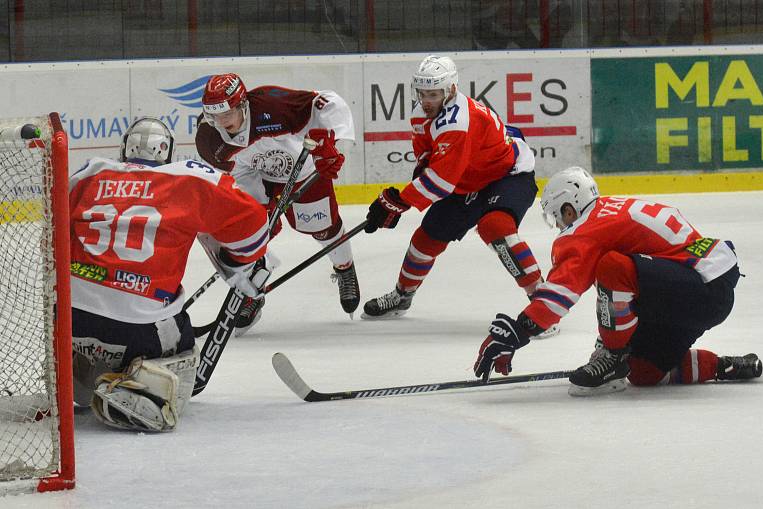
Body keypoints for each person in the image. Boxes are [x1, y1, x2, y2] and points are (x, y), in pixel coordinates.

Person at [473, 166, 763, 396]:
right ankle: (724, 366)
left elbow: (563, 290)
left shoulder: (587, 227)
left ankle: (613, 355)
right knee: (643, 372)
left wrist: (520, 330)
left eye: (557, 218)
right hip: (700, 289)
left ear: (568, 209)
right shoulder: (613, 210)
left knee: (612, 267)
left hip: (698, 287)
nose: (560, 226)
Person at [70, 117, 274, 431]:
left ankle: (77, 373)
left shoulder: (90, 172)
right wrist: (236, 261)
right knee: (184, 353)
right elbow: (254, 228)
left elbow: (51, 234)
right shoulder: (190, 177)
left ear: (125, 149)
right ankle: (135, 390)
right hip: (137, 327)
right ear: (168, 153)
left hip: (69, 321)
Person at [362, 54, 553, 333]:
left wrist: (399, 202)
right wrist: (421, 168)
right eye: (423, 93)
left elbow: (440, 182)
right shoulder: (422, 113)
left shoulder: (457, 123)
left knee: (495, 227)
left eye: (434, 94)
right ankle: (402, 296)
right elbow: (429, 154)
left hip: (506, 175)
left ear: (450, 90)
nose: (426, 100)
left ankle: (543, 307)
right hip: (467, 180)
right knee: (426, 238)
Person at [195, 73, 360, 328]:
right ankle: (252, 292)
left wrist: (336, 146)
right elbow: (237, 171)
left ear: (242, 105)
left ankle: (344, 267)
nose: (219, 121)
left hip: (302, 170)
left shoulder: (273, 105)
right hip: (258, 176)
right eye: (213, 115)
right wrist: (257, 205)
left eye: (226, 113)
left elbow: (327, 102)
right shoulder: (209, 138)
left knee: (321, 228)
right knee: (248, 234)